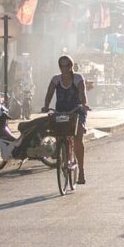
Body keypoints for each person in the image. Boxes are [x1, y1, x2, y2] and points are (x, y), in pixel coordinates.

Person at [42, 55, 91, 184]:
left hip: (76, 111)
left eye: (67, 65)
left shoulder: (78, 78)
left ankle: (81, 171)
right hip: (61, 112)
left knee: (77, 137)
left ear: (71, 66)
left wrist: (84, 104)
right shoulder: (56, 80)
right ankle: (62, 156)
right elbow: (49, 94)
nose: (64, 68)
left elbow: (82, 93)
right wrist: (46, 106)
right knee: (59, 136)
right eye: (62, 66)